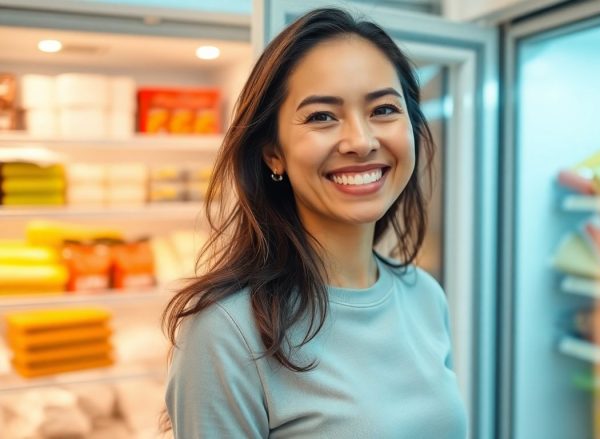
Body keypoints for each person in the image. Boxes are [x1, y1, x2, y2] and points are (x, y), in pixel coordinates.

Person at [163, 7, 467, 438]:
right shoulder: (226, 331)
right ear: (274, 152)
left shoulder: (424, 297)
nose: (361, 141)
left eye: (383, 109)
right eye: (323, 116)